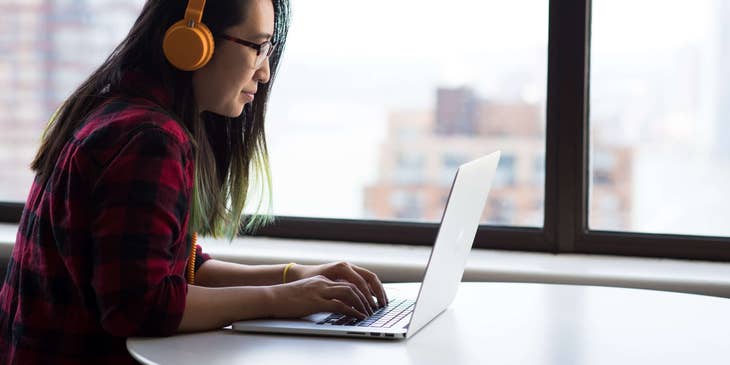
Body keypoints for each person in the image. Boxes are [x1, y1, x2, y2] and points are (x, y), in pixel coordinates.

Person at [0, 0, 388, 363]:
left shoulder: (118, 110)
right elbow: (139, 306)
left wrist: (295, 275)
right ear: (192, 42)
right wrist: (281, 298)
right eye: (257, 47)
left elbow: (176, 266)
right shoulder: (149, 138)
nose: (265, 72)